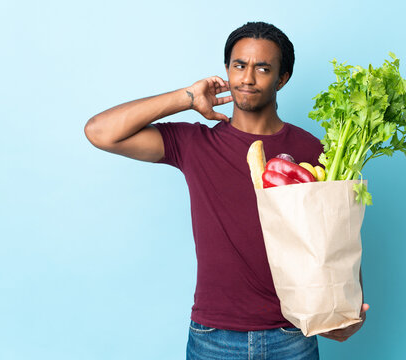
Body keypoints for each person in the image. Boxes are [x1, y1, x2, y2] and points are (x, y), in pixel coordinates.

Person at [84, 21, 369, 360]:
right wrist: (186, 98)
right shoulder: (193, 143)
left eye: (263, 68)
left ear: (282, 78)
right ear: (227, 71)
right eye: (239, 65)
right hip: (213, 337)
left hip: (291, 334)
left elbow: (337, 233)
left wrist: (346, 307)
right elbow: (100, 132)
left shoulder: (314, 150)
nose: (247, 78)